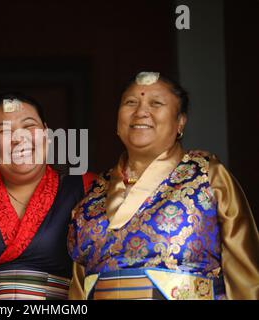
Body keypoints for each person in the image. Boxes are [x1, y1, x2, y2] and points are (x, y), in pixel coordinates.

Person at [67, 72, 259, 300]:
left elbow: (245, 276)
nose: (140, 112)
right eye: (131, 103)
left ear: (180, 122)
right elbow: (79, 287)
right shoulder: (94, 194)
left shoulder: (207, 174)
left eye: (156, 103)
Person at [0, 92, 96, 300]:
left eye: (29, 126)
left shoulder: (85, 189)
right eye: (3, 131)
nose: (18, 138)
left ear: (47, 135)